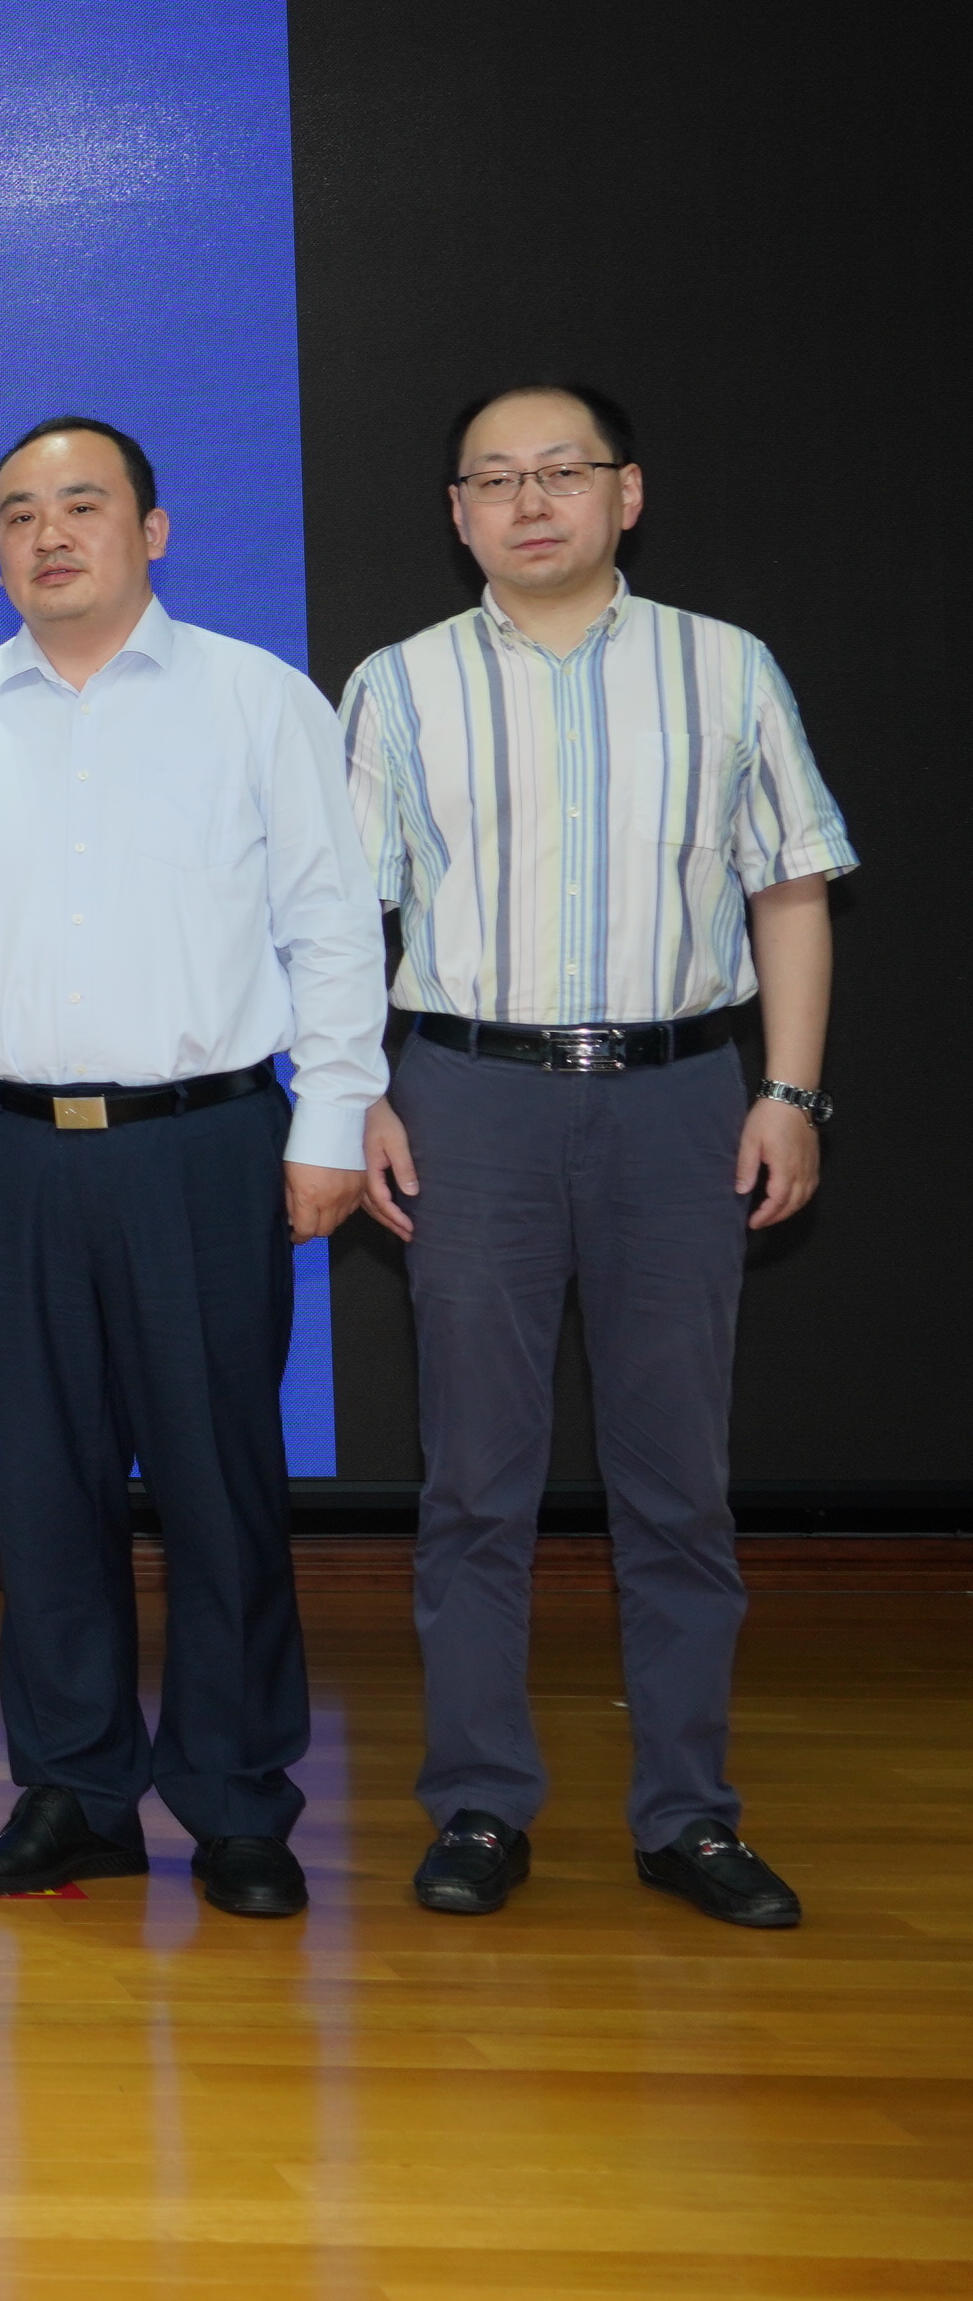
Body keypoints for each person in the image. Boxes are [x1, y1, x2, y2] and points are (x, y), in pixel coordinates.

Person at [0, 415, 380, 1920]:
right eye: (19, 513)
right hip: (9, 1149)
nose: (50, 534)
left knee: (221, 1482)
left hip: (205, 1143)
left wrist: (331, 1121)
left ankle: (236, 1797)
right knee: (43, 1487)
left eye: (82, 506)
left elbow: (331, 926)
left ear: (151, 531)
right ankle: (76, 1791)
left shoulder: (257, 700)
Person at [344, 384, 848, 1931]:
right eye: (494, 479)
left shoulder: (725, 667)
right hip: (467, 1099)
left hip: (679, 1097)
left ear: (626, 494)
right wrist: (355, 1089)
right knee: (473, 1483)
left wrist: (791, 1092)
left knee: (677, 1483)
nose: (529, 500)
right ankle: (479, 1805)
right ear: (457, 515)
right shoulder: (397, 684)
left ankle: (689, 1816)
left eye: (561, 471)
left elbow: (790, 890)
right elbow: (339, 916)